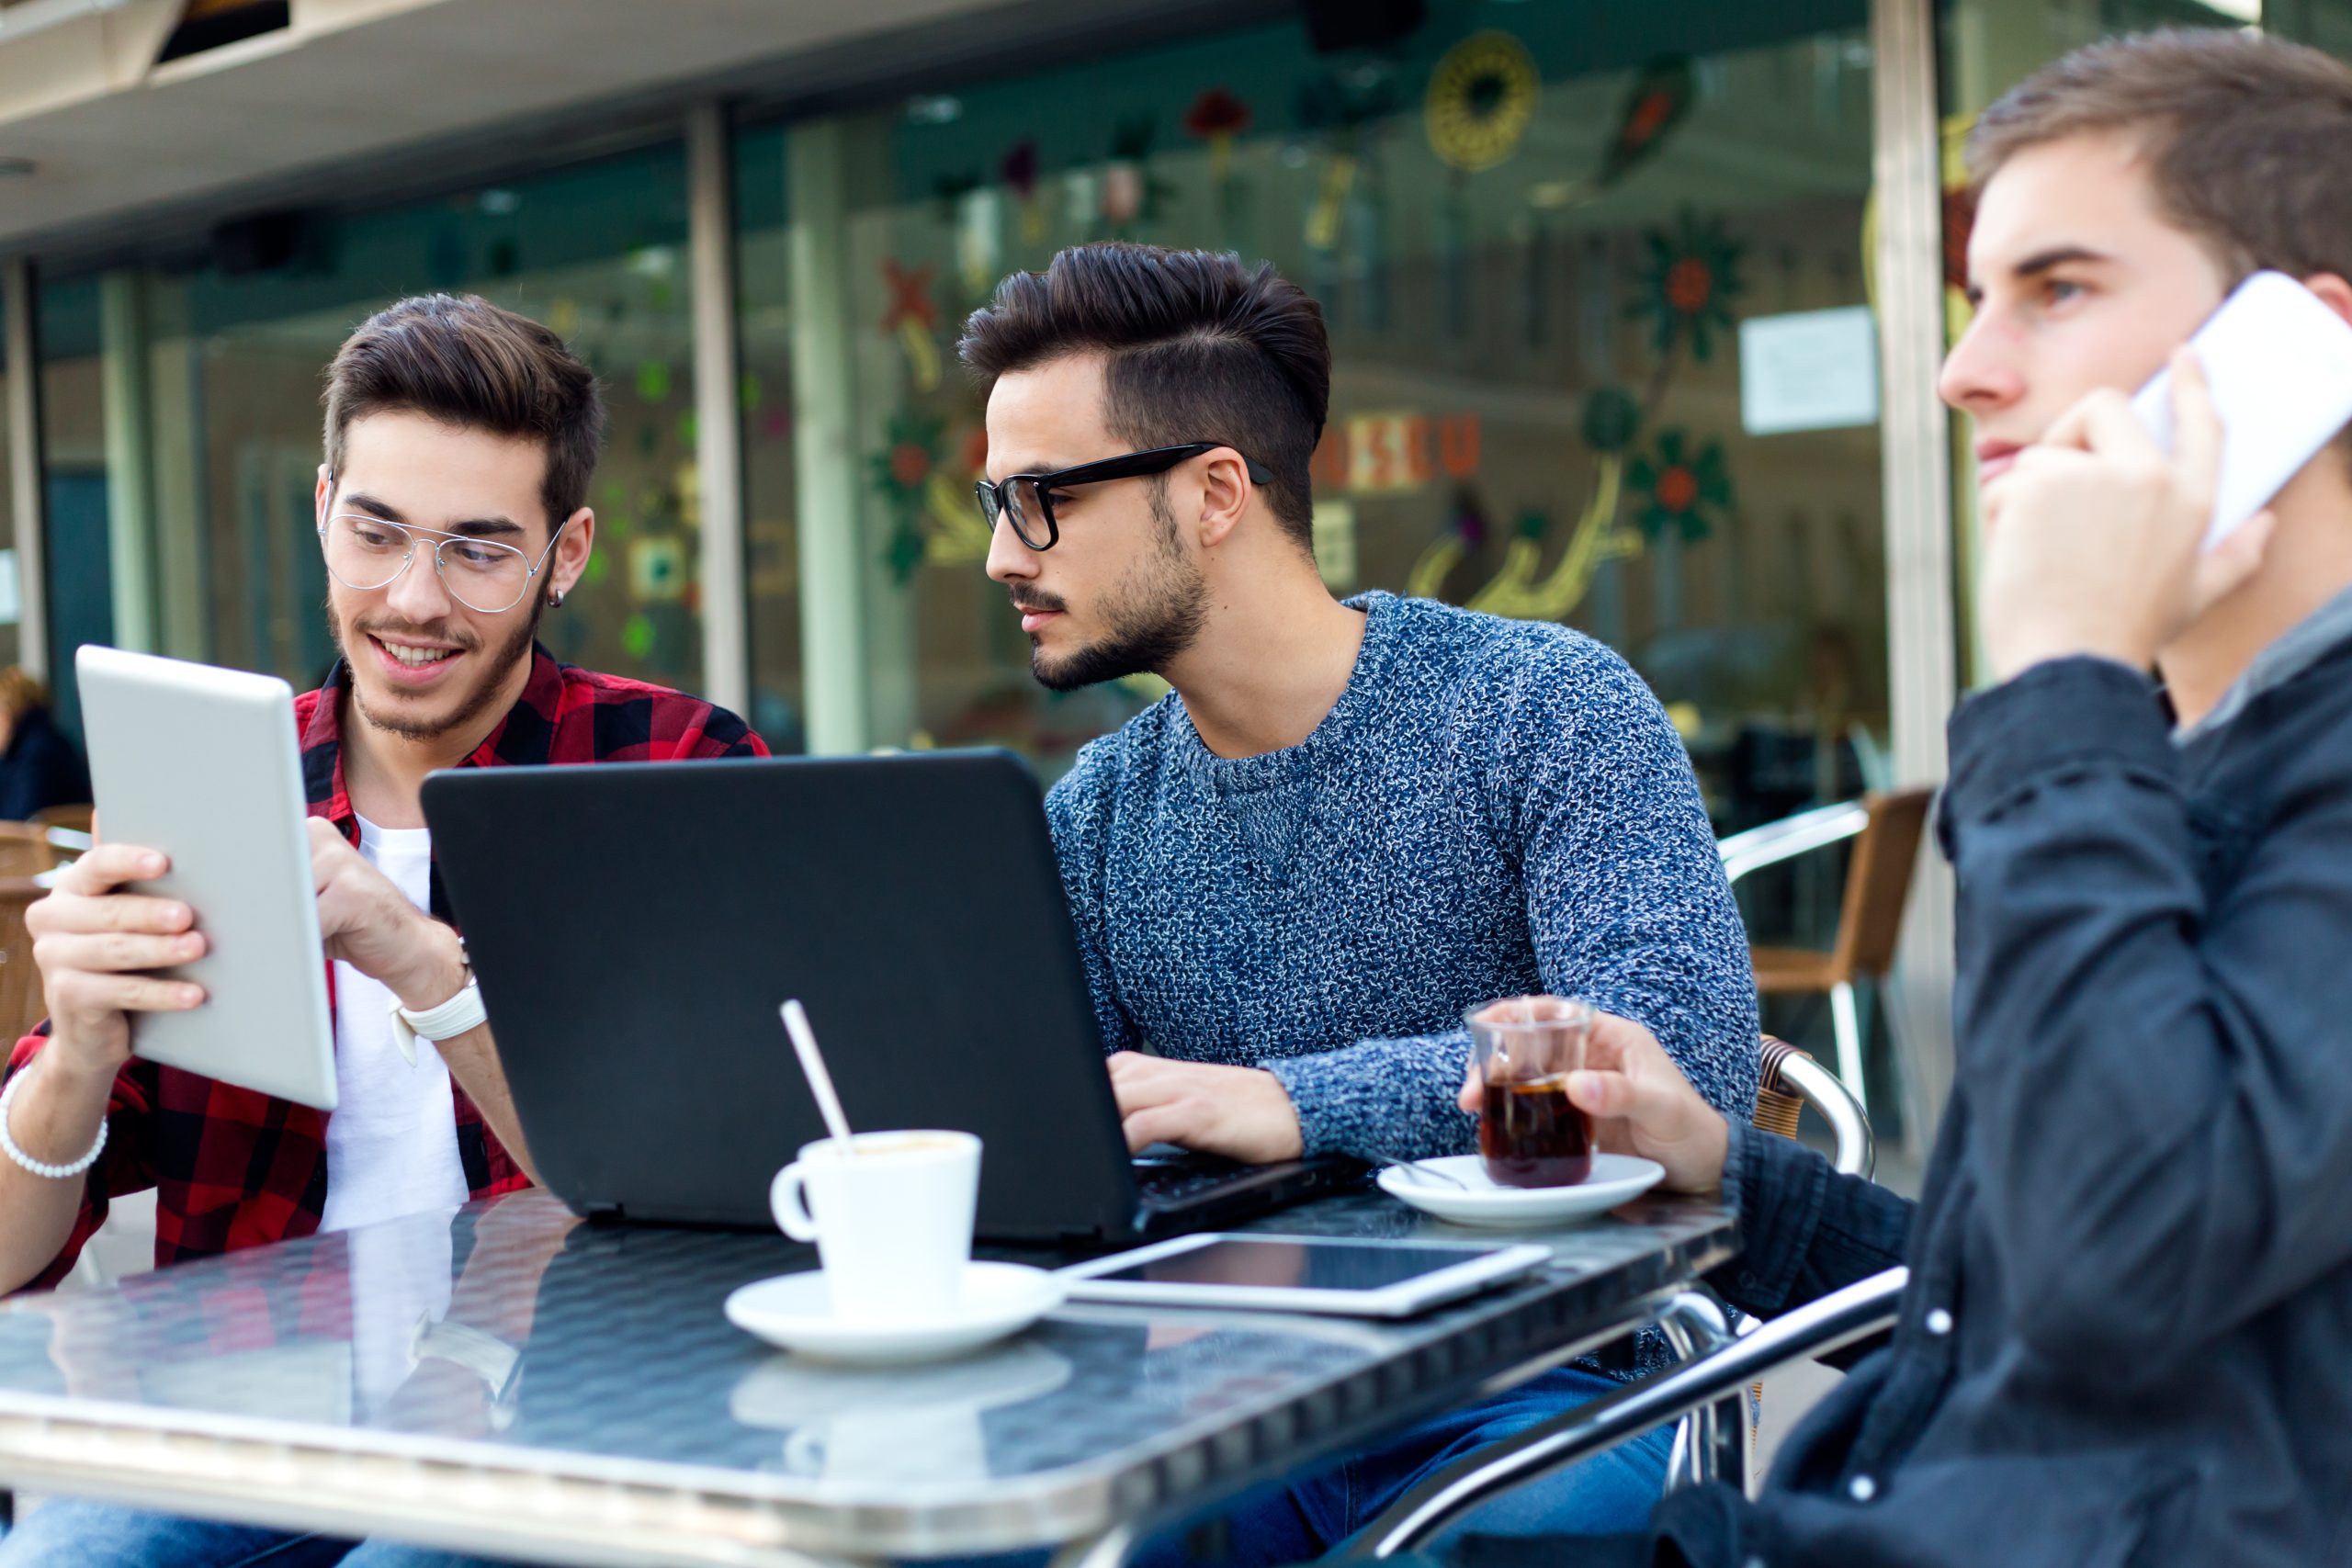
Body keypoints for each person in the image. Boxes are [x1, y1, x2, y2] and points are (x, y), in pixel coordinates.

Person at [1432, 29, 2352, 1566]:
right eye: (1977, 296)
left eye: (2056, 289)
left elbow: (2121, 1248)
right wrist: (1729, 1173)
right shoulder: (2179, 751)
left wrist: (2063, 666)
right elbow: (2023, 1290)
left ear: (2309, 351)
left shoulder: (2170, 746)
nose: (1963, 366)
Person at [961, 245, 1760, 1556]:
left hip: (1535, 1393)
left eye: (1042, 498)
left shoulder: (1545, 706)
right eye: (998, 501)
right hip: (1212, 1398)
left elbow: (1681, 1063)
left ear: (1217, 490)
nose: (1003, 553)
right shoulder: (1094, 811)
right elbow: (1064, 1151)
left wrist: (1290, 1099)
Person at [0, 293, 764, 1567]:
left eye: (478, 547)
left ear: (565, 553)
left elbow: (709, 1196)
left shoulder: (673, 768)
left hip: (568, 1410)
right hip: (246, 1414)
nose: (414, 599)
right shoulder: (220, 784)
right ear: (320, 510)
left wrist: (420, 957)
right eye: (377, 533)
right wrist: (74, 1056)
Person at [0, 669, 88, 824]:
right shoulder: (18, 754)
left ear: (8, 716)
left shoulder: (39, 754)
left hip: (57, 847)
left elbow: (20, 820)